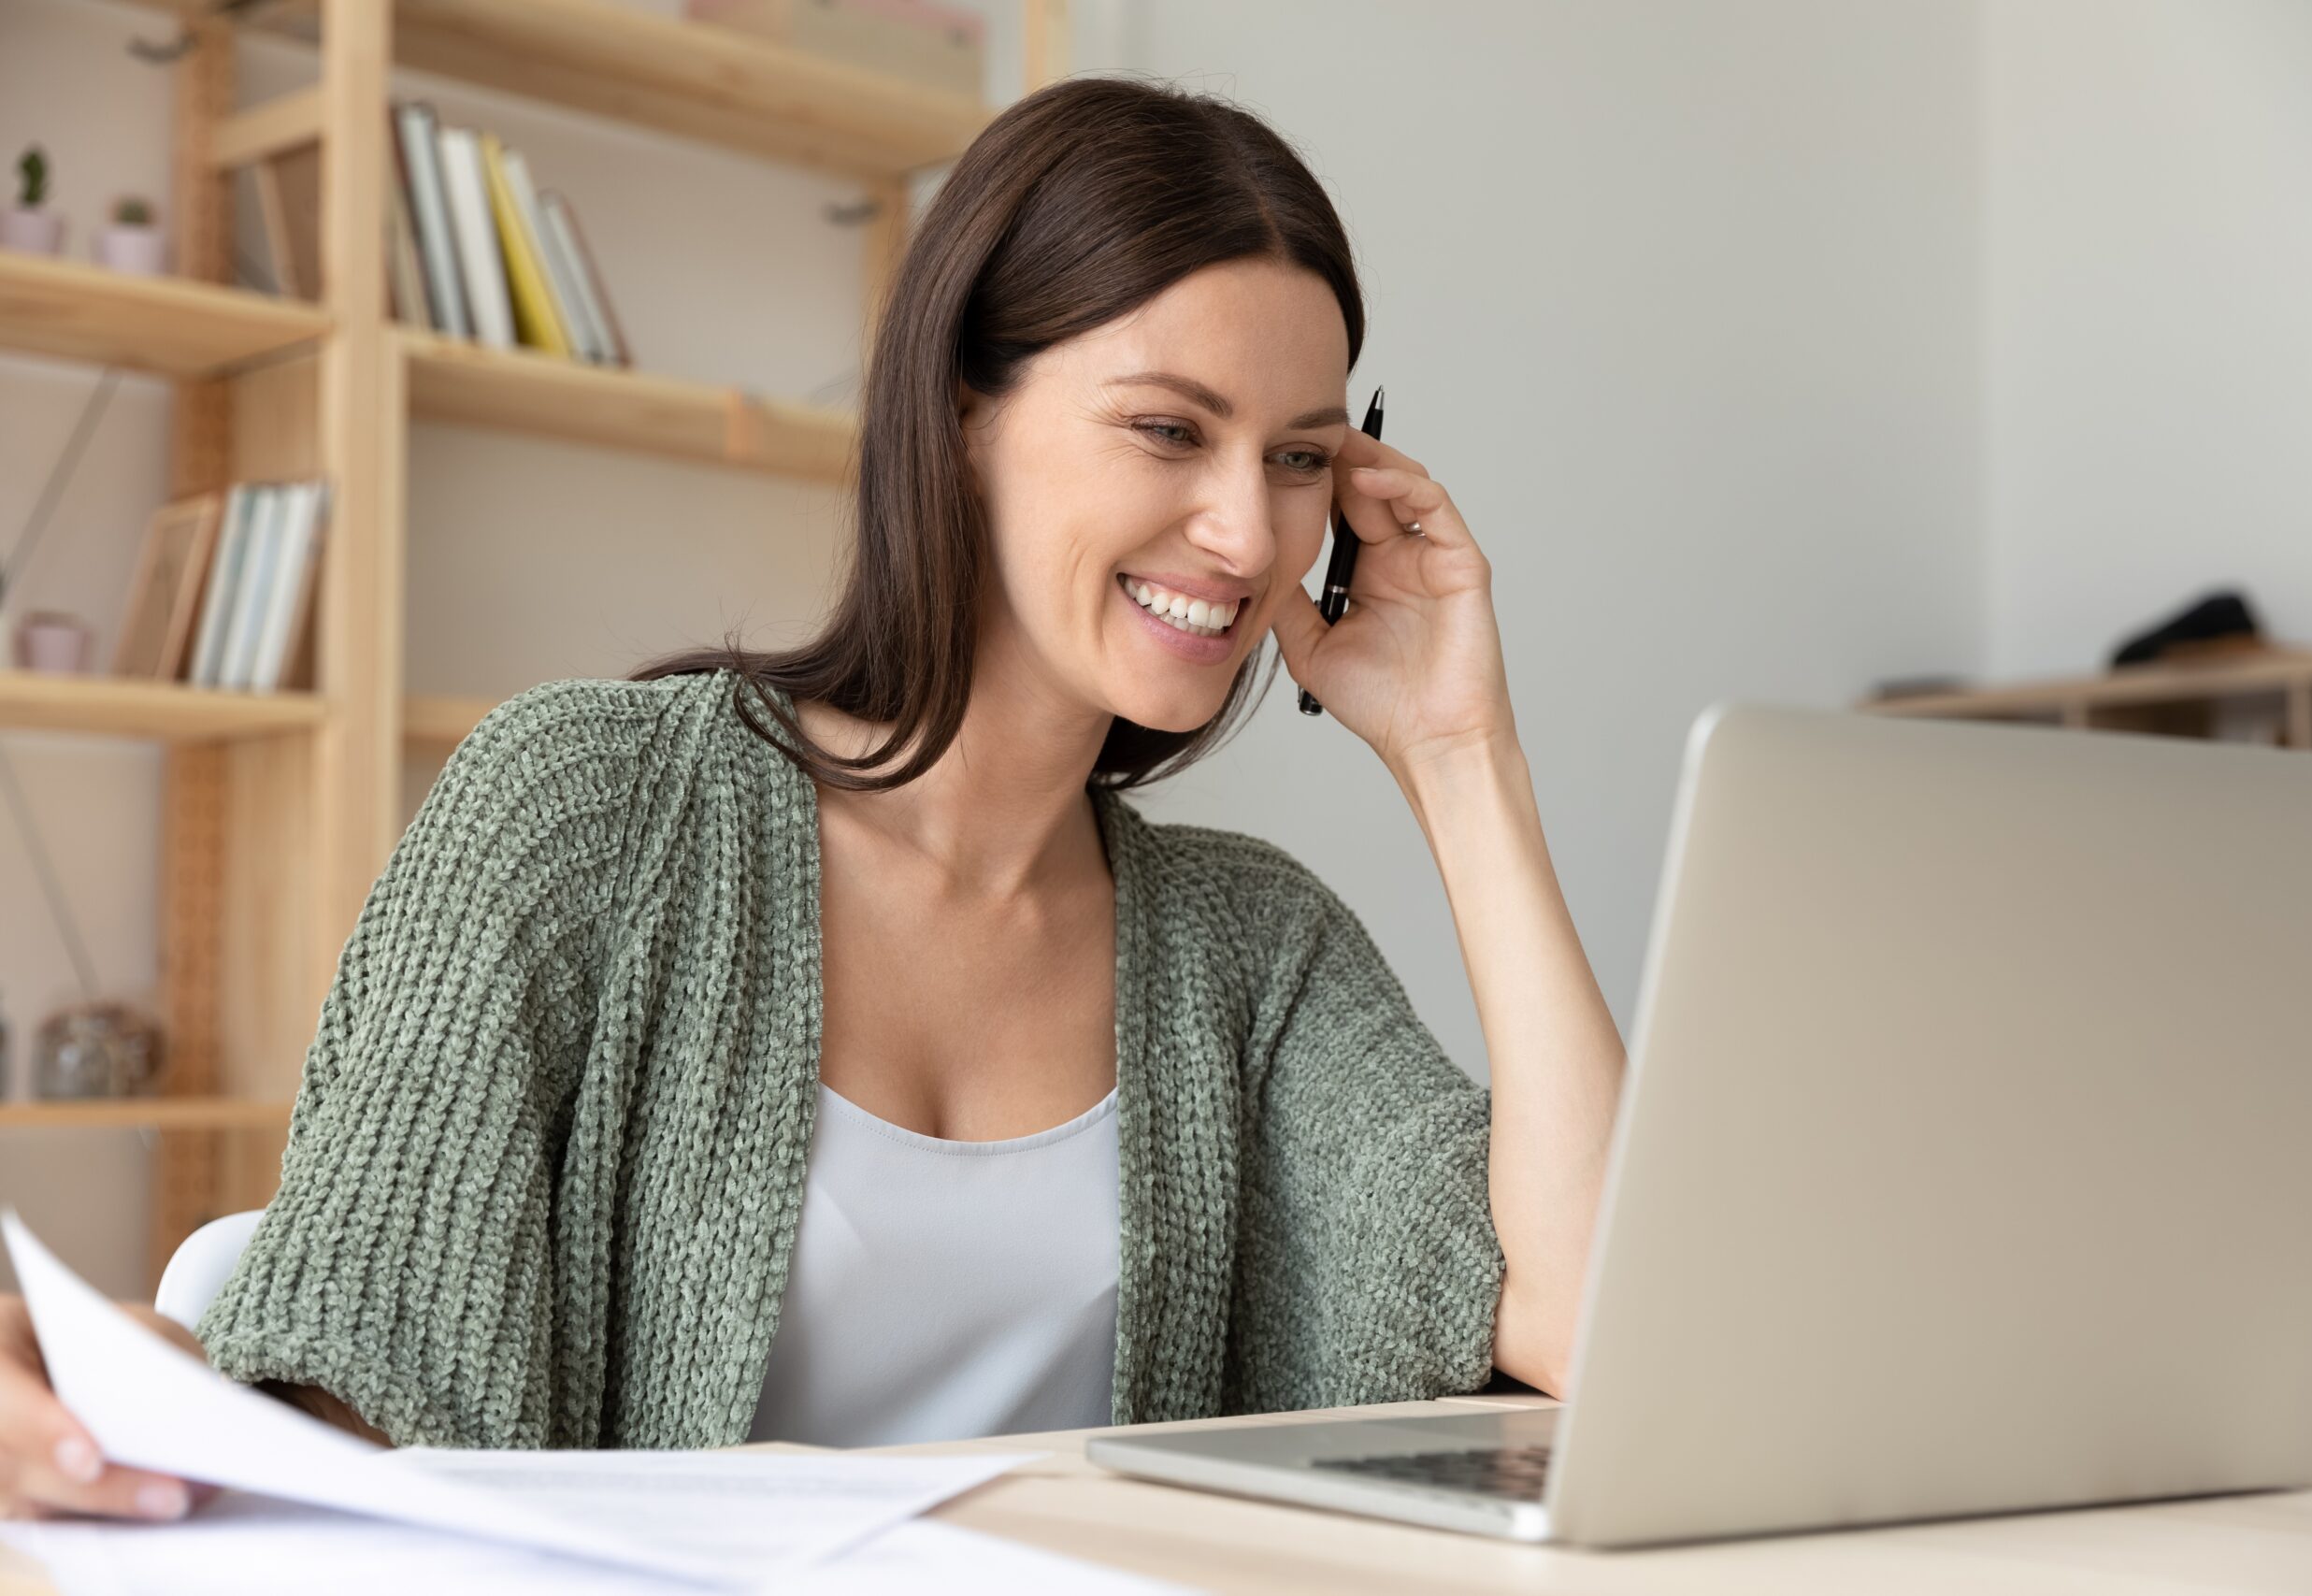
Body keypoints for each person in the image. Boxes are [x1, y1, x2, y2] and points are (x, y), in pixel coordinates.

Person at [0, 72, 1625, 1522]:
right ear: (962, 412)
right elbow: (355, 1381)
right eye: (1165, 430)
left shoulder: (1252, 950)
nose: (1246, 535)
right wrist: (144, 1379)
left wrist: (1459, 758)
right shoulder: (583, 812)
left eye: (1293, 458)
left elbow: (1597, 1326)